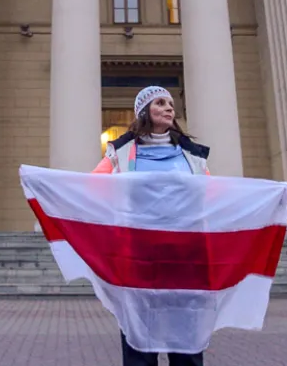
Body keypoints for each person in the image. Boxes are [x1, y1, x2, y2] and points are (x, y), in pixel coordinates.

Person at [92, 85, 208, 366]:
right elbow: (92, 187)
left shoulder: (191, 155)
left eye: (170, 103)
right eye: (160, 103)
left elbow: (212, 193)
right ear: (145, 111)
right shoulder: (119, 153)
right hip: (138, 256)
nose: (170, 108)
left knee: (186, 337)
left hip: (184, 256)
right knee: (139, 335)